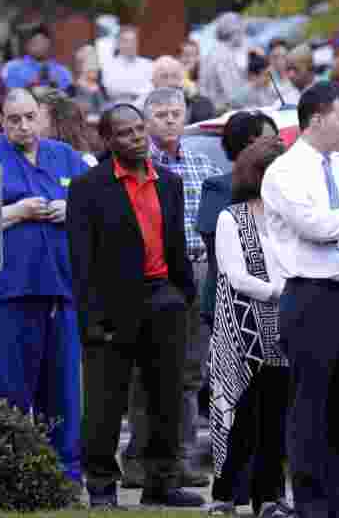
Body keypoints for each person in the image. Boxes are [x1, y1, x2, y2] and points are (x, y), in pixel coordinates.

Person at [67, 103, 203, 508]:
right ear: (108, 141)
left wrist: (183, 295)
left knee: (167, 398)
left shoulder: (169, 183)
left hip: (165, 300)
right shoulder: (88, 187)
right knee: (106, 404)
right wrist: (91, 320)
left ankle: (161, 482)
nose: (137, 137)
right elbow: (81, 260)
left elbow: (176, 243)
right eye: (125, 133)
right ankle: (103, 488)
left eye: (140, 129)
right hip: (112, 307)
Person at [0, 88, 85, 481]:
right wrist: (18, 211)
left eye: (29, 117)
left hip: (59, 287)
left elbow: (96, 206)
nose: (24, 126)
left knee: (62, 387)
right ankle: (4, 472)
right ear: (0, 120)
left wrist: (69, 207)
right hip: (5, 290)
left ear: (40, 116)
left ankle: (64, 474)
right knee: (5, 385)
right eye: (14, 119)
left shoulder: (65, 157)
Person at [260, 82, 339, 518]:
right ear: (317, 118)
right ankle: (310, 501)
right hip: (308, 296)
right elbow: (316, 226)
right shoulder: (284, 172)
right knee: (311, 402)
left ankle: (338, 498)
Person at [122, 87, 221, 490]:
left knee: (190, 374)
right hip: (154, 276)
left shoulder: (200, 163)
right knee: (146, 373)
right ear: (145, 121)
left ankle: (179, 457)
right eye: (160, 114)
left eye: (175, 113)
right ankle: (138, 459)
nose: (169, 120)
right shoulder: (137, 167)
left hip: (196, 271)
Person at [207, 135, 293, 518]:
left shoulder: (288, 217)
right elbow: (236, 276)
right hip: (243, 334)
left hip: (284, 332)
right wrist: (281, 291)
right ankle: (225, 495)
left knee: (276, 421)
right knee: (240, 419)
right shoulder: (232, 216)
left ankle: (269, 498)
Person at [197, 111, 281, 336]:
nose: (280, 147)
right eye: (273, 141)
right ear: (251, 145)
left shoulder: (287, 189)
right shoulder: (219, 188)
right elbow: (218, 246)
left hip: (278, 310)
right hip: (234, 308)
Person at [142, 56, 216, 125]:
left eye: (175, 76)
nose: (170, 82)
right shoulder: (143, 107)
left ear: (182, 79)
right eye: (164, 77)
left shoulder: (201, 104)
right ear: (153, 82)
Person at [199, 12, 247, 110]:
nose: (243, 36)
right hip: (220, 112)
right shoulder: (224, 57)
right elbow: (233, 96)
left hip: (212, 109)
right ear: (234, 32)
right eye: (242, 31)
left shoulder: (213, 52)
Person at [1, 27, 72, 90]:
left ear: (49, 44)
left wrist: (54, 85)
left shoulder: (61, 71)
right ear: (27, 44)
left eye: (42, 42)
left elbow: (70, 95)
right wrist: (34, 83)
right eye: (35, 42)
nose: (39, 46)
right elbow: (6, 91)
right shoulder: (12, 67)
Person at [101, 26, 154, 104]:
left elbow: (151, 89)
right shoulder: (109, 66)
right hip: (119, 108)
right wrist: (138, 91)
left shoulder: (148, 64)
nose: (131, 45)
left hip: (144, 108)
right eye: (126, 41)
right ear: (118, 44)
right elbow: (111, 90)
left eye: (133, 41)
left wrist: (128, 90)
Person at [67, 45, 107, 118]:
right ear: (80, 65)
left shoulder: (103, 89)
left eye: (96, 61)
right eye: (90, 61)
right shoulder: (71, 91)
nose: (96, 66)